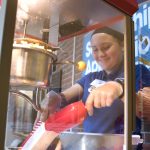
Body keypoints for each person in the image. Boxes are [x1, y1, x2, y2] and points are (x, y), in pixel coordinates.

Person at [36, 26, 125, 134]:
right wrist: (55, 99)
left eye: (106, 47)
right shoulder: (91, 78)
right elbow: (65, 96)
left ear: (122, 45)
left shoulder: (138, 72)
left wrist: (118, 87)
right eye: (95, 49)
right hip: (92, 144)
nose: (101, 54)